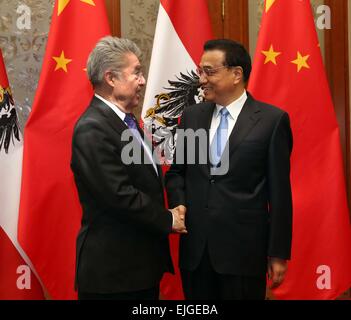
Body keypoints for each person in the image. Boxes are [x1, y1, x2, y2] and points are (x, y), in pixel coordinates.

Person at [165, 39, 293, 300]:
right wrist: (178, 203)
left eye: (209, 71)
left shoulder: (272, 121)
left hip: (243, 254)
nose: (201, 79)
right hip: (196, 253)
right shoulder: (193, 116)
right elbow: (177, 173)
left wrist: (278, 252)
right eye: (201, 71)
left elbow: (279, 193)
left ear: (237, 74)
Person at [71, 36, 186, 300]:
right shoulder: (93, 128)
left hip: (139, 269)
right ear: (111, 78)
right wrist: (168, 219)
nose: (143, 81)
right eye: (136, 73)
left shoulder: (126, 122)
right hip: (113, 276)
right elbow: (119, 195)